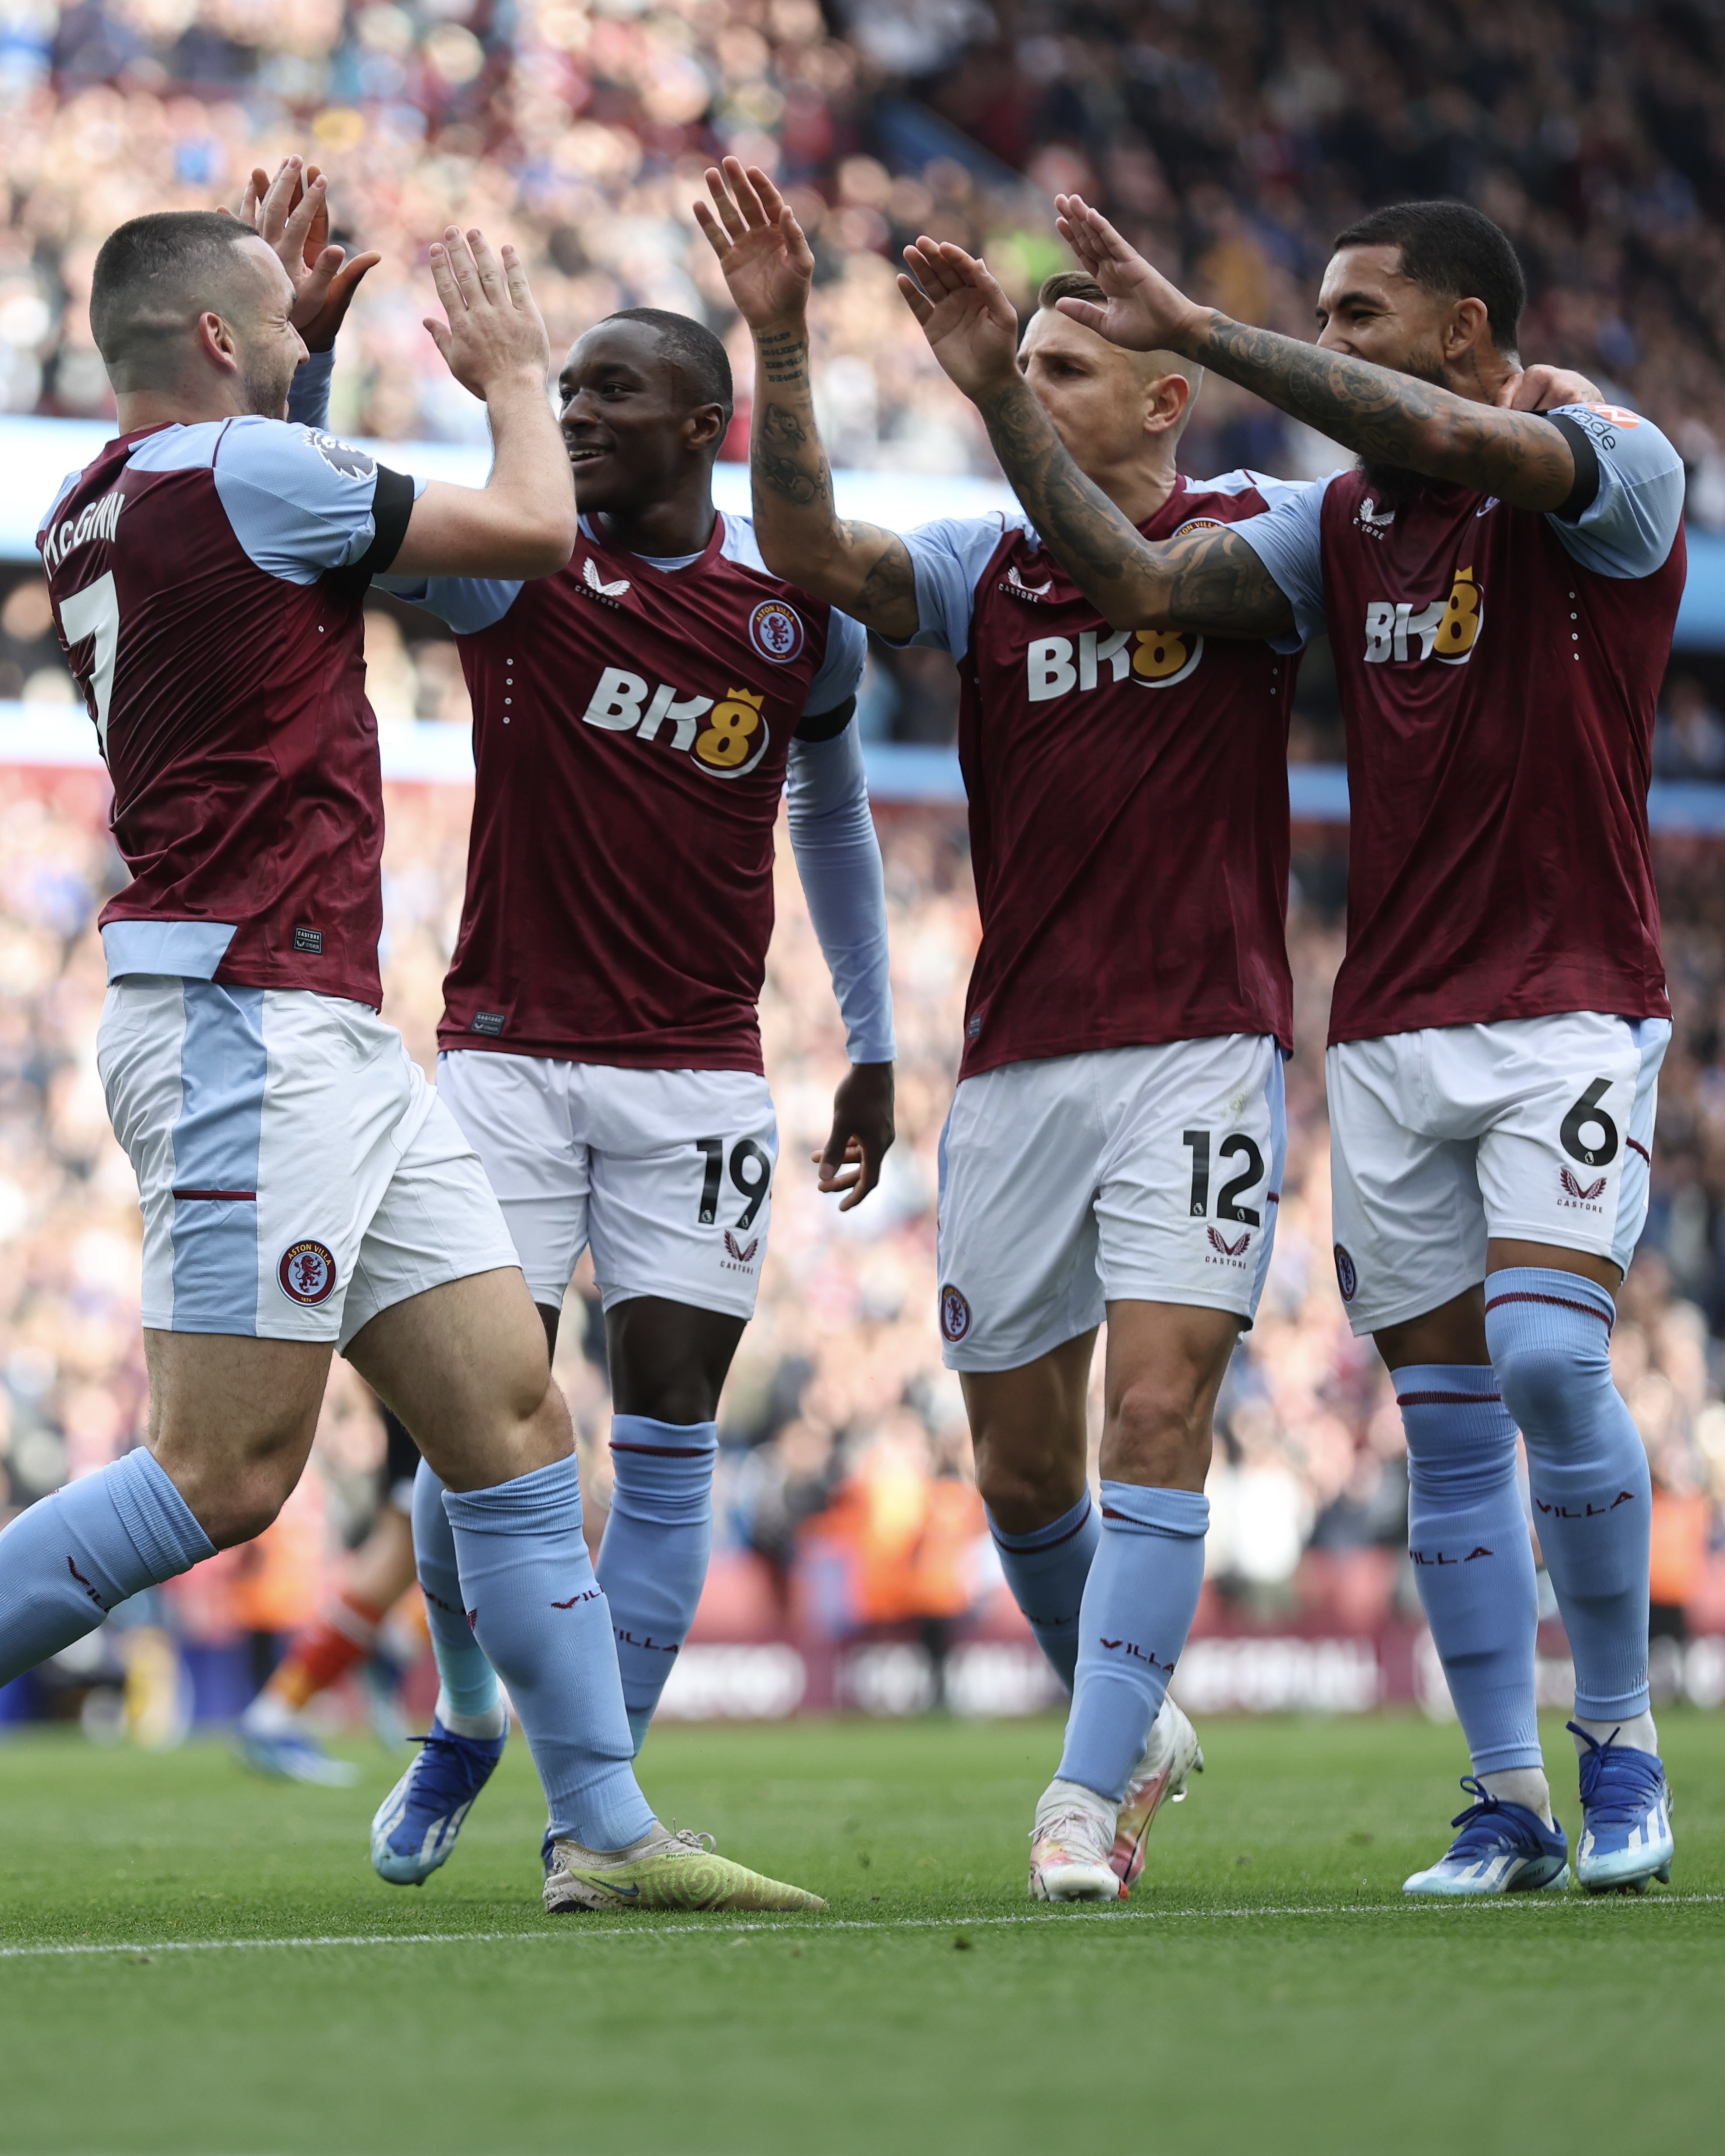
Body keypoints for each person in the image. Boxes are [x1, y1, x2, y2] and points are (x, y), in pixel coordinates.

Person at [6, 159, 821, 1917]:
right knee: (221, 1472)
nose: (301, 332)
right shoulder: (249, 469)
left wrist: (296, 365)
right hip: (241, 1020)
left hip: (315, 1031)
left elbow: (274, 513)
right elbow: (530, 527)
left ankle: (604, 1833)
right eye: (277, 318)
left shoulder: (106, 492)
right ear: (225, 337)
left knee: (517, 1428)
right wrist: (518, 368)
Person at [910, 189, 1681, 1898]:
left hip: (1564, 995)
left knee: (1551, 1362)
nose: (1323, 349)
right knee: (1449, 1421)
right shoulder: (1338, 527)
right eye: (1312, 319)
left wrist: (1191, 329)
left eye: (1350, 315)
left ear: (1461, 331)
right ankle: (1501, 1796)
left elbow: (1440, 436)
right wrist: (998, 402)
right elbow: (1126, 575)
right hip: (1388, 1027)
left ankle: (1618, 1744)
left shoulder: (1612, 463)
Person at [696, 158, 1304, 1903]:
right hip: (1023, 1063)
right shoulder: (978, 571)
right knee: (1021, 1467)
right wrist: (785, 339)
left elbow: (1136, 585)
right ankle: (1131, 1717)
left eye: (1058, 373)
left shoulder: (1259, 535)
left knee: (1161, 1408)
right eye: (1016, 374)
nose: (1023, 393)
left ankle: (1080, 1793)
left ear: (1165, 398)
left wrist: (981, 396)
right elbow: (806, 551)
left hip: (1200, 1042)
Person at [305, 299, 895, 1883]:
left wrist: (879, 1038)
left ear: (704, 424)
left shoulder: (797, 616)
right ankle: (470, 1709)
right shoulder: (518, 564)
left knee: (674, 1434)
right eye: (563, 389)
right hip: (506, 1056)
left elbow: (830, 820)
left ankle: (594, 1816)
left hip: (700, 1077)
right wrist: (307, 362)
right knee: (474, 1443)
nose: (572, 413)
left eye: (609, 392)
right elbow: (310, 521)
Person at [237, 1404, 422, 1785]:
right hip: (447, 1389)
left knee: (413, 1547)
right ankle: (275, 1716)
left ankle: (394, 1646)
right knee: (426, 1540)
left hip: (438, 1387)